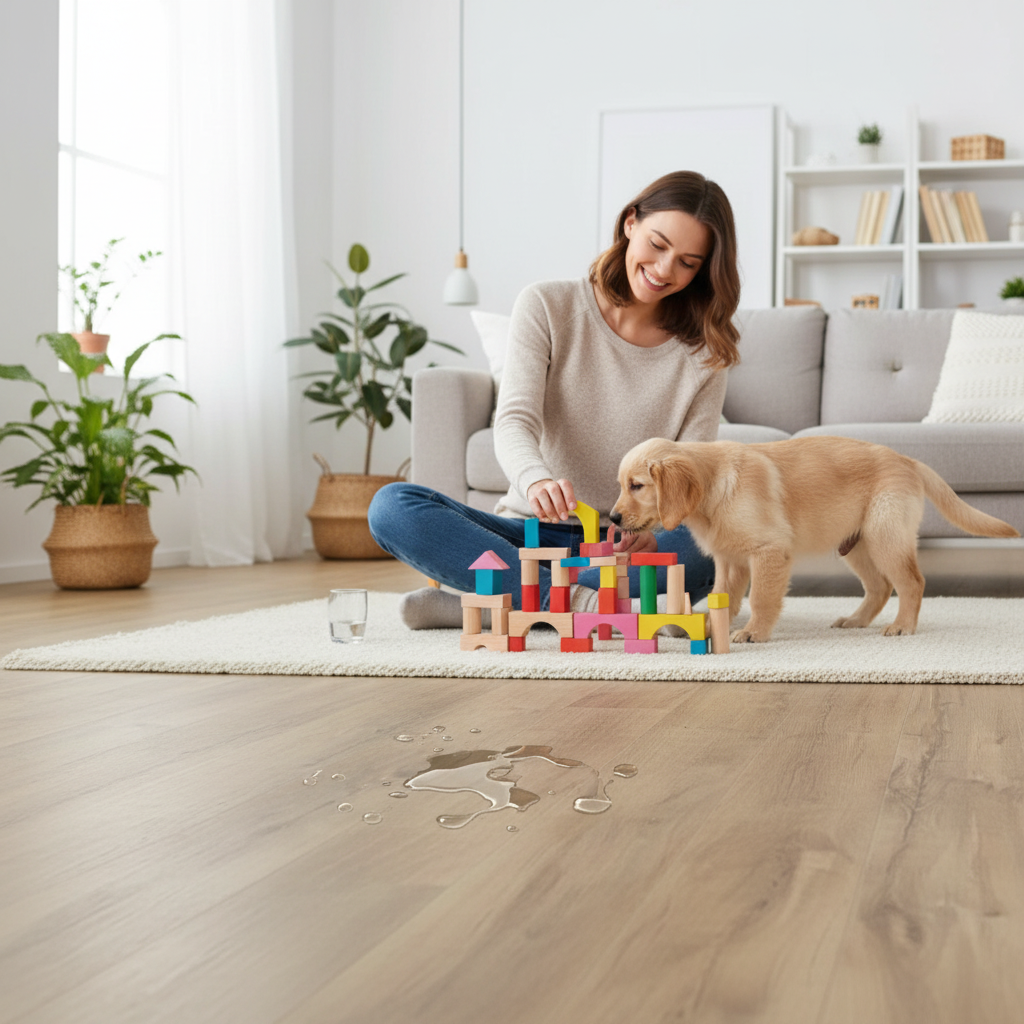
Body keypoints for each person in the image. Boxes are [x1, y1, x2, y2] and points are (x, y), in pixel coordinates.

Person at [369, 170, 741, 629]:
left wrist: (656, 530)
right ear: (630, 224)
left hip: (623, 545)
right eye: (658, 245)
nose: (665, 270)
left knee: (710, 543)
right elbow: (514, 420)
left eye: (687, 262)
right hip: (527, 535)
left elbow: (692, 475)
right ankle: (584, 605)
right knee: (391, 507)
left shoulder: (706, 354)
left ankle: (505, 603)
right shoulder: (547, 305)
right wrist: (536, 481)